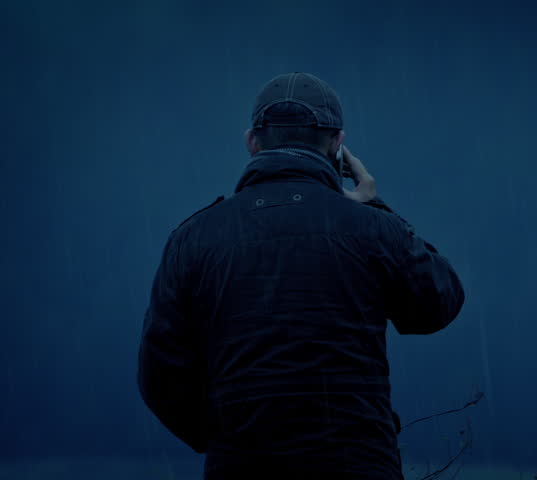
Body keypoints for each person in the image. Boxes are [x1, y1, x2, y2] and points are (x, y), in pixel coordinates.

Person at [136, 72, 466, 479]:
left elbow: (160, 374)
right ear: (338, 146)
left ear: (252, 142)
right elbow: (437, 305)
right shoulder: (372, 230)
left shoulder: (193, 238)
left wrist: (227, 438)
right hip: (357, 465)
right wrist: (373, 205)